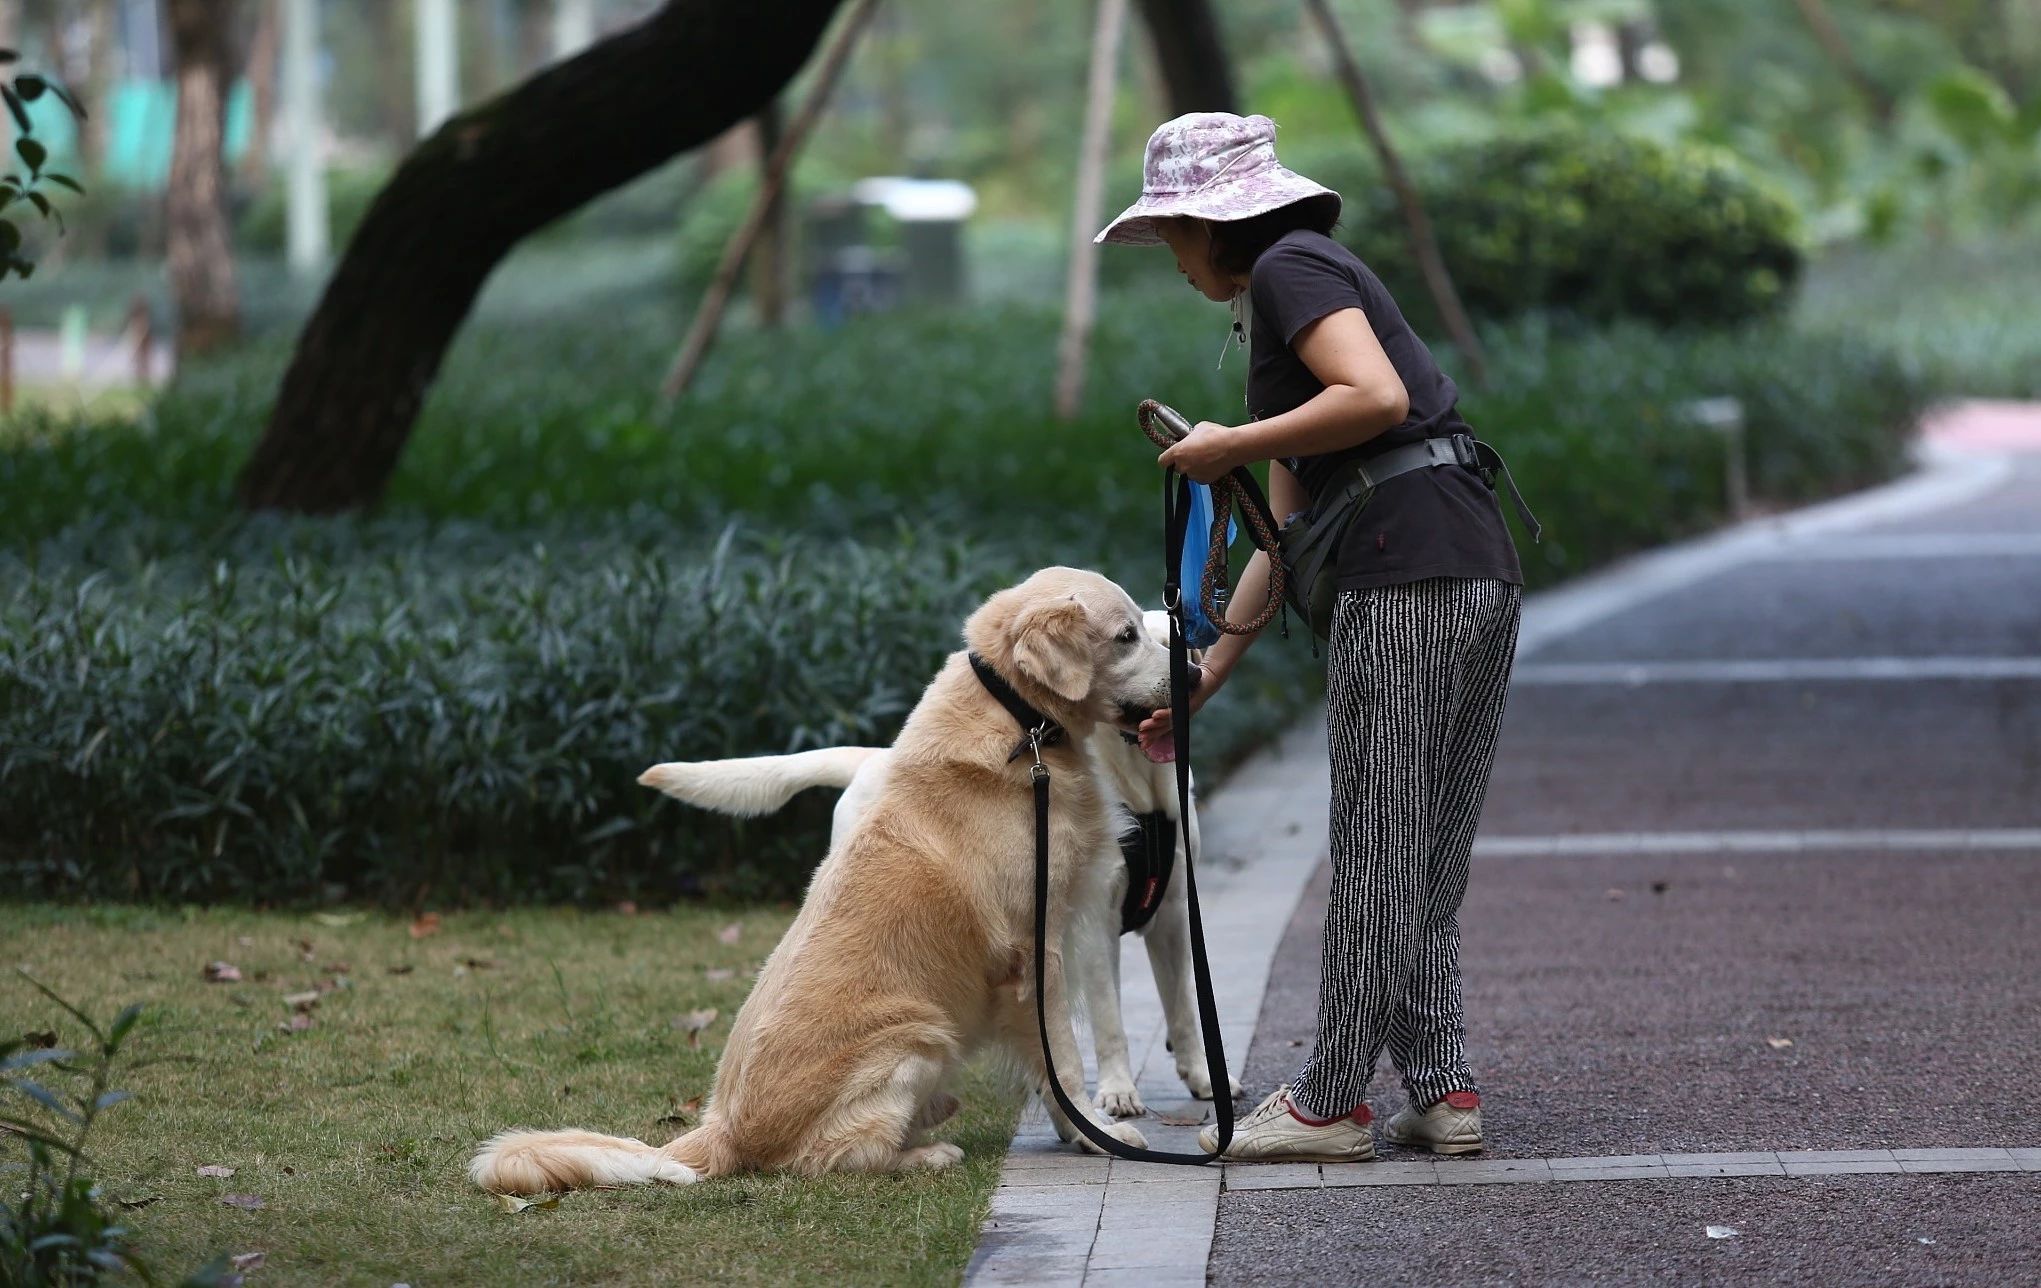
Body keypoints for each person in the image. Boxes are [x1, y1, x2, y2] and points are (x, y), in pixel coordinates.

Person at [1094, 112, 1525, 1162]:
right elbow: (1281, 535)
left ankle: (1327, 1104)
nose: (1175, 260)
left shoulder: (1289, 267)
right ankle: (1443, 1089)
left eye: (1172, 237)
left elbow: (1372, 396)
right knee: (1422, 852)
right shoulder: (1294, 295)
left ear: (1211, 222)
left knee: (1381, 846)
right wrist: (1207, 673)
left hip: (1405, 573)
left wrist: (1228, 442)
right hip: (1471, 561)